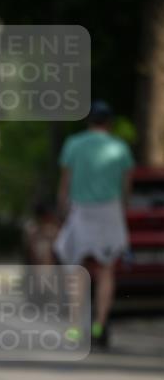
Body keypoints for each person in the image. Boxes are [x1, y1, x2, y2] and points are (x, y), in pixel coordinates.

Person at [54, 100, 134, 348]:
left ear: (89, 121)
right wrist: (123, 209)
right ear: (109, 122)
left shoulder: (74, 144)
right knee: (106, 270)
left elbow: (65, 183)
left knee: (76, 271)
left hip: (82, 211)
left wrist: (62, 209)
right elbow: (126, 185)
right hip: (109, 211)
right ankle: (100, 323)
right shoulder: (120, 148)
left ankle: (76, 327)